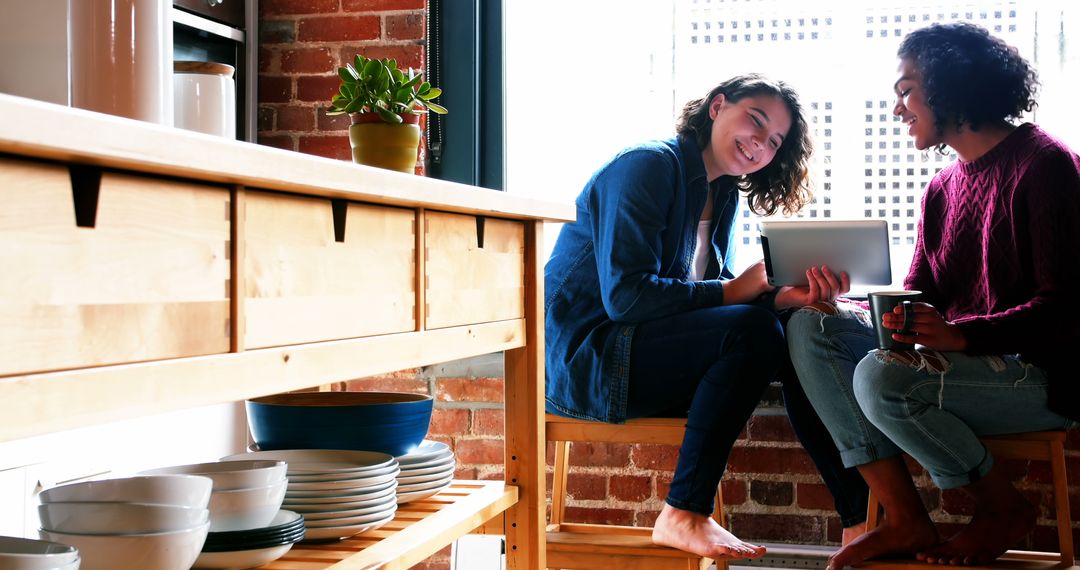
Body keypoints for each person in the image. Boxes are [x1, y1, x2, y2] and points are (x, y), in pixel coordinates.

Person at [787, 22, 1080, 569]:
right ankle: (905, 518)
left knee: (880, 374)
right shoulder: (943, 188)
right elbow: (925, 297)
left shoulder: (1047, 165)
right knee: (811, 324)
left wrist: (963, 335)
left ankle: (1003, 510)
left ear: (951, 82)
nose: (897, 109)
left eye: (905, 90)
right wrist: (846, 304)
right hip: (967, 363)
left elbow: (1064, 308)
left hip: (1039, 373)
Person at [544, 73, 870, 561]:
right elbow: (627, 300)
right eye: (755, 120)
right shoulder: (647, 166)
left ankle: (859, 520)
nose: (760, 142)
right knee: (755, 330)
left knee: (801, 331)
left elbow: (709, 302)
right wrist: (738, 292)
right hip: (594, 359)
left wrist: (785, 299)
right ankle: (682, 512)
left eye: (775, 141)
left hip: (646, 350)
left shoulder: (724, 196)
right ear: (717, 107)